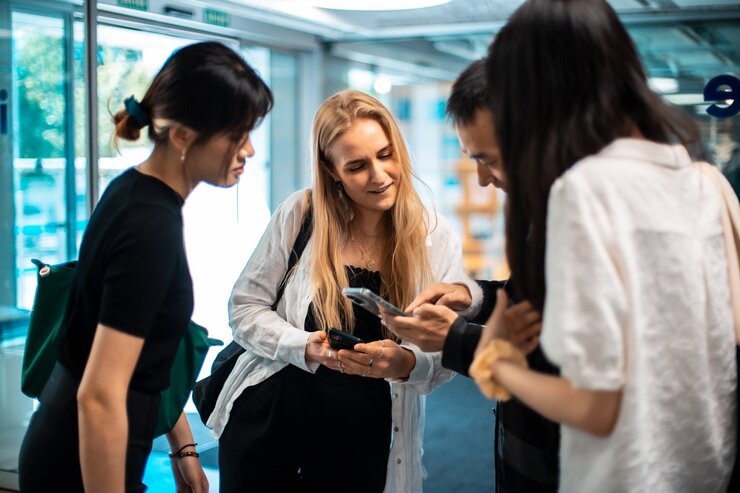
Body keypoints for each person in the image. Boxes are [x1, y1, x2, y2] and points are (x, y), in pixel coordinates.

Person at [473, 0, 736, 491]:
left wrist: (501, 369)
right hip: (702, 470)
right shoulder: (695, 178)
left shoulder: (587, 188)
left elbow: (595, 408)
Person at [19, 41, 273, 493]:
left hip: (79, 447)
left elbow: (147, 351)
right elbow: (100, 395)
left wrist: (183, 446)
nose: (249, 150)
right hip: (82, 464)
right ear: (182, 136)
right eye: (237, 134)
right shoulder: (148, 226)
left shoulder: (137, 193)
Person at [209, 90, 479, 493]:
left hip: (361, 437)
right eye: (356, 166)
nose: (379, 175)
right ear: (331, 171)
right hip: (268, 418)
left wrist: (403, 363)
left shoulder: (433, 238)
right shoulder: (301, 213)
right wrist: (304, 346)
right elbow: (245, 308)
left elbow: (442, 355)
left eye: (386, 155)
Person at [384, 58, 559, 492]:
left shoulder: (582, 219)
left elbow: (566, 362)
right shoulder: (543, 208)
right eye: (471, 159)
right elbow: (537, 305)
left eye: (489, 159)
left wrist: (455, 339)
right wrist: (471, 294)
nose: (481, 180)